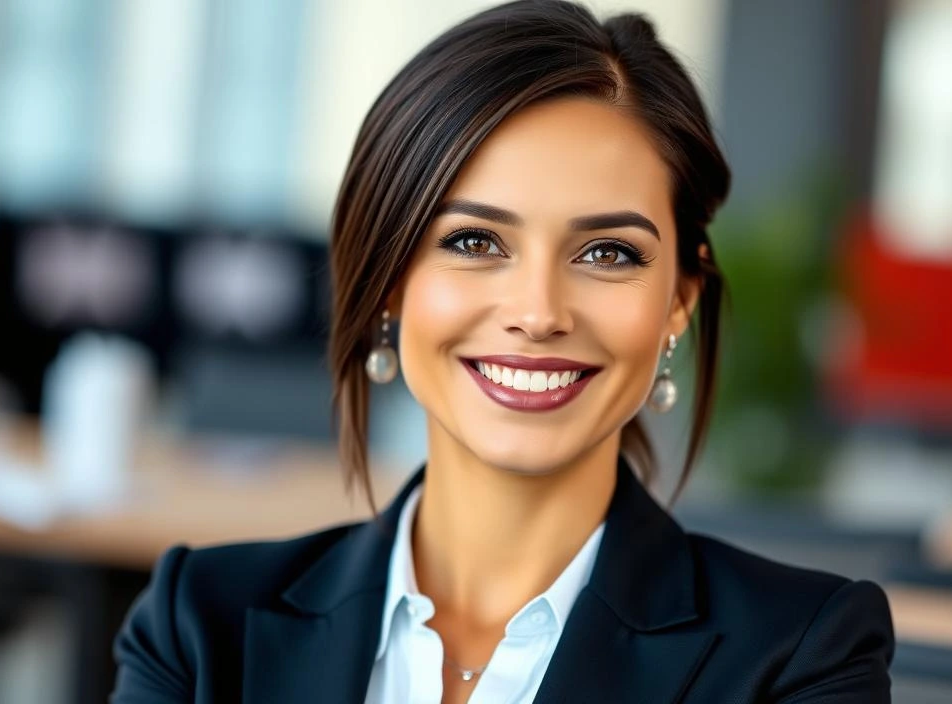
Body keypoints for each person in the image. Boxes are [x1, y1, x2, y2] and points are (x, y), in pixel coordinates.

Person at [111, 2, 895, 702]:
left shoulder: (801, 657)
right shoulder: (197, 626)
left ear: (679, 304)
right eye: (475, 241)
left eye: (608, 253)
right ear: (389, 283)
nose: (538, 313)